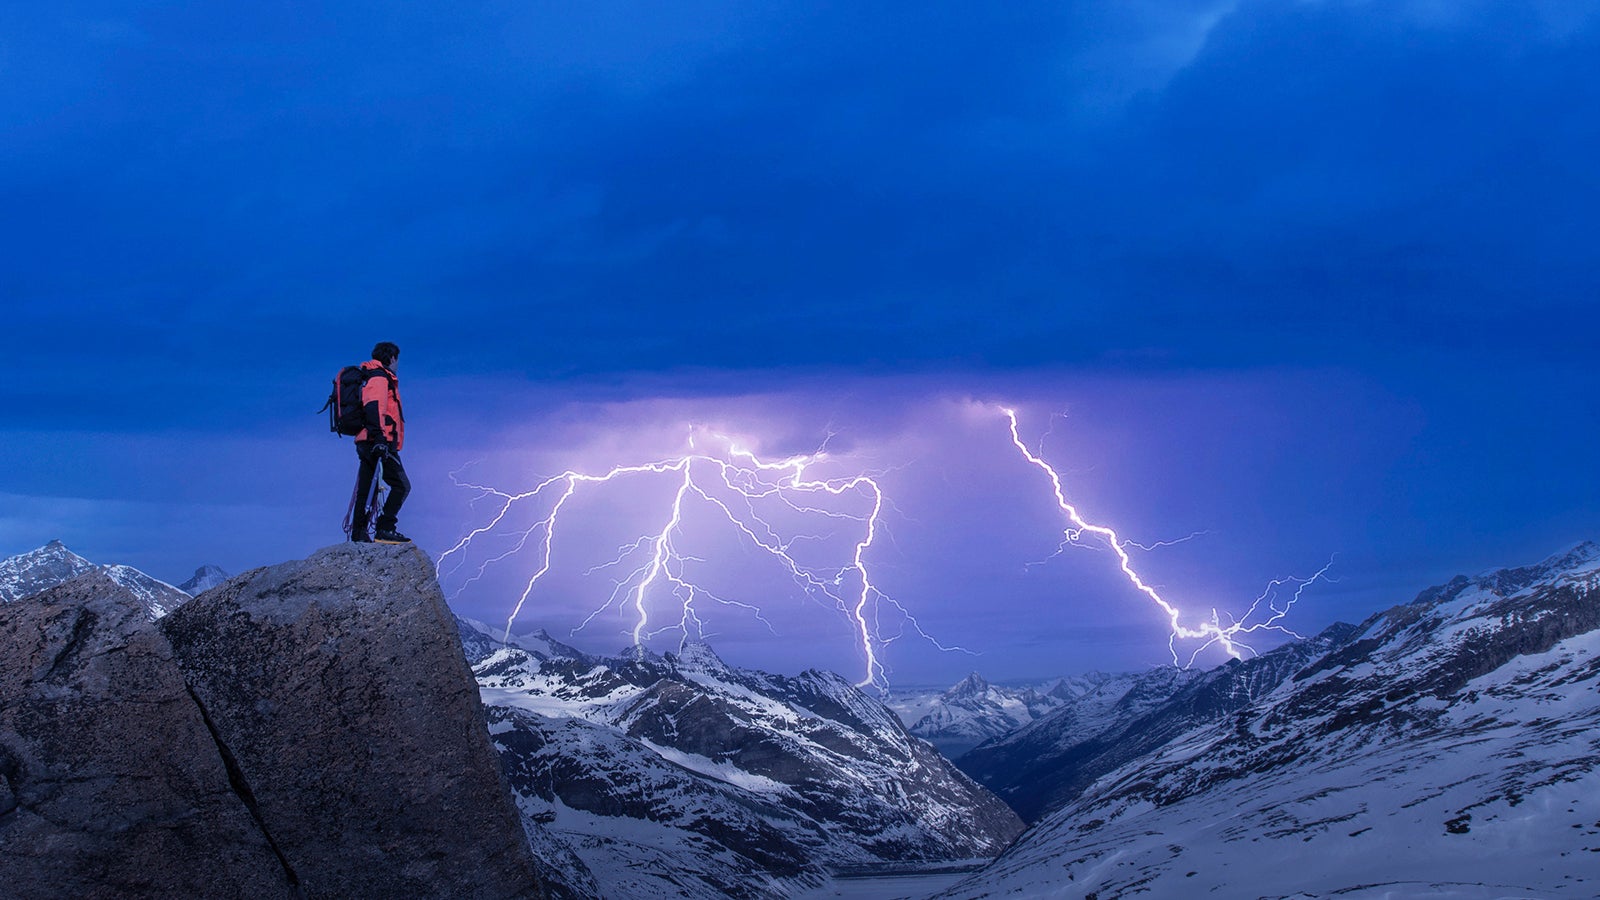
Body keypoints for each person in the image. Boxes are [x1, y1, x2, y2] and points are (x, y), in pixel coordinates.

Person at [350, 341, 411, 543]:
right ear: (392, 357)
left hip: (371, 440)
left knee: (368, 487)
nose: (397, 364)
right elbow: (374, 406)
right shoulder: (379, 377)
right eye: (397, 359)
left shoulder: (373, 376)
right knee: (401, 485)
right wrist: (380, 439)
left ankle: (359, 533)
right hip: (379, 441)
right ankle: (384, 528)